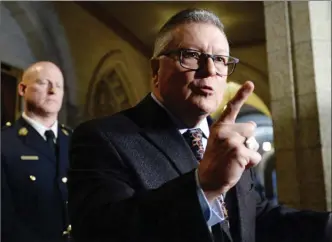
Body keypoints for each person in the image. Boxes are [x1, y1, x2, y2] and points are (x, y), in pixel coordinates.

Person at [68, 9, 332, 242]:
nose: (209, 70)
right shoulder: (102, 138)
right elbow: (101, 232)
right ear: (155, 71)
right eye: (191, 55)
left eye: (219, 59)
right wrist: (202, 186)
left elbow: (253, 217)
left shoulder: (227, 140)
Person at [1, 61, 72, 242]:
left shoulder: (77, 141)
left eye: (58, 86)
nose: (53, 91)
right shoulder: (5, 143)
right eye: (43, 83)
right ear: (22, 89)